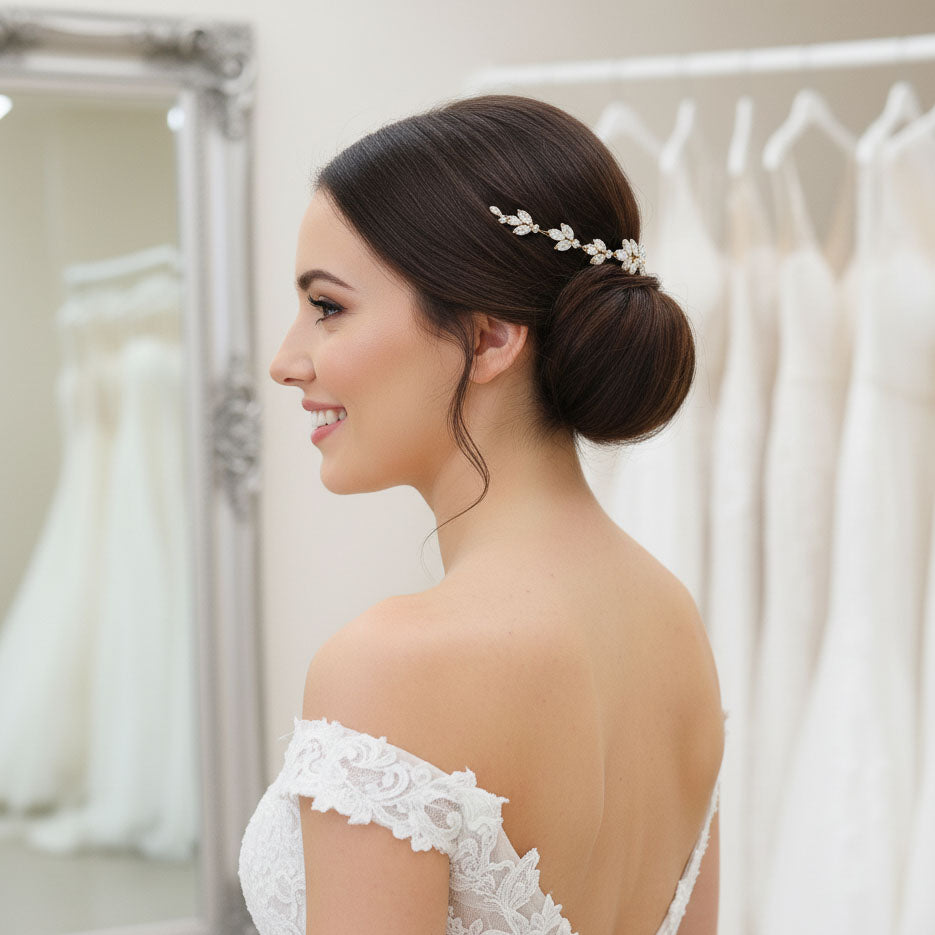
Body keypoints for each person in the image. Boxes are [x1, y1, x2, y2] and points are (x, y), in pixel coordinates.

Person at [247, 93, 726, 935]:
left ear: (490, 338)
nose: (286, 361)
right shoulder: (670, 619)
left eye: (328, 307)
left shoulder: (390, 665)